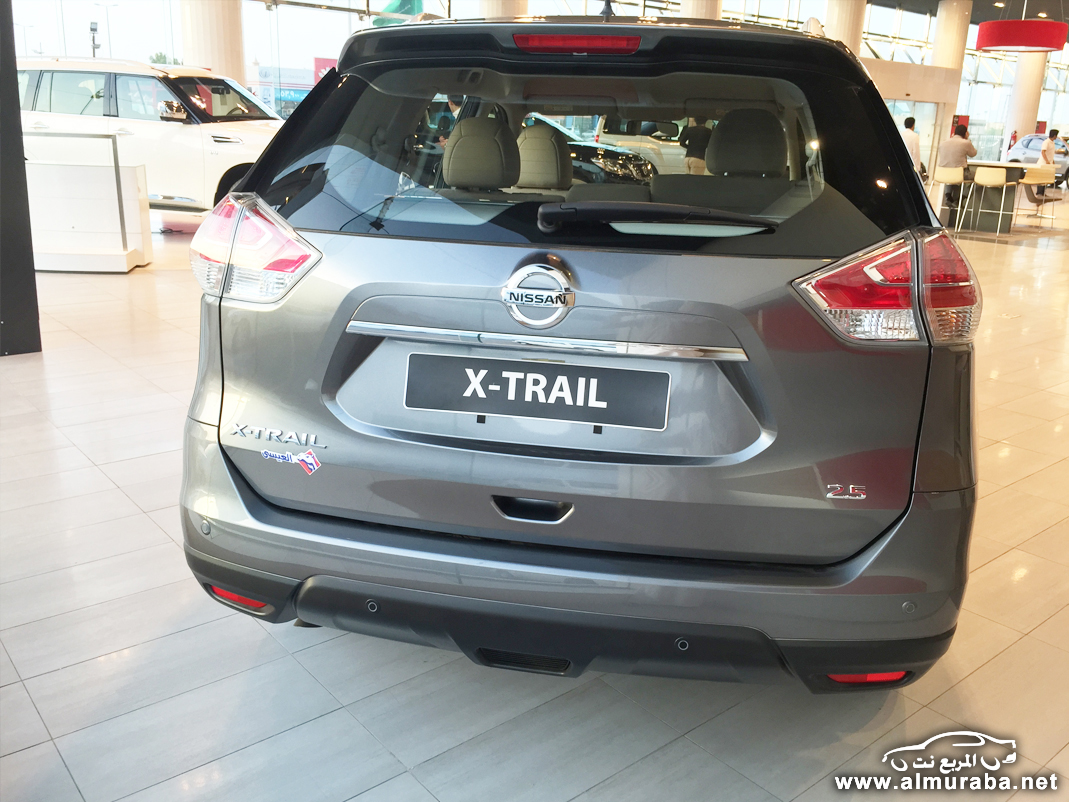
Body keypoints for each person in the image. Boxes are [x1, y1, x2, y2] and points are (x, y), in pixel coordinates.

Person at [937, 124, 977, 208]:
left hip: (942, 174)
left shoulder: (943, 142)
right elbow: (973, 154)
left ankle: (948, 197)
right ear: (965, 133)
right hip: (959, 174)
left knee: (950, 175)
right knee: (977, 176)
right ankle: (960, 199)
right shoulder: (966, 143)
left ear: (954, 133)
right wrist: (967, 139)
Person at [1037, 128, 1059, 197]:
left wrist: (1052, 161)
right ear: (1054, 135)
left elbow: (1051, 153)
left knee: (1045, 178)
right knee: (1041, 177)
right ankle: (1039, 192)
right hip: (1043, 163)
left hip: (1049, 163)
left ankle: (1043, 192)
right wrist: (1046, 161)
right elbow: (1043, 152)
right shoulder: (1046, 142)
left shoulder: (1052, 143)